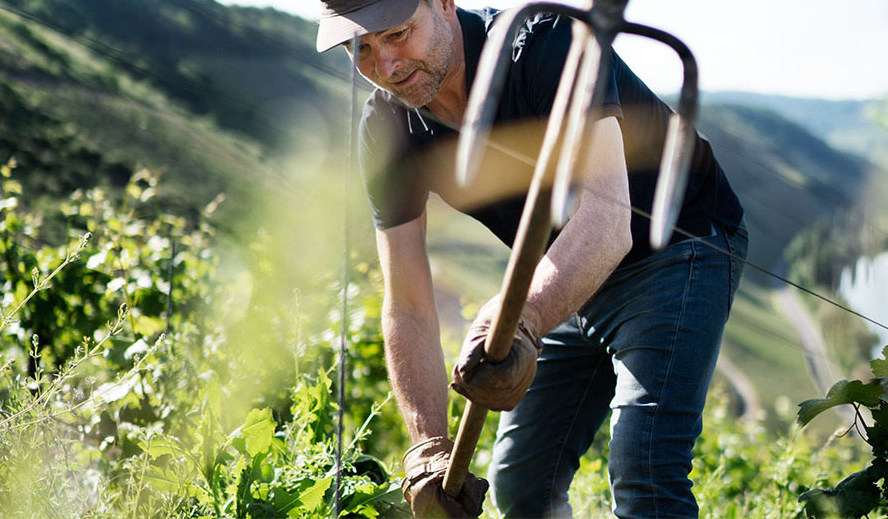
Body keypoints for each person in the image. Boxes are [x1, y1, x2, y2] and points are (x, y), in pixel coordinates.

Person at [316, 0, 747, 517]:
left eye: (398, 34)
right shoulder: (385, 128)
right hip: (570, 270)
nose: (386, 67)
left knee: (644, 468)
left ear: (444, 4)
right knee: (521, 484)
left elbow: (608, 224)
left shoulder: (546, 45)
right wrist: (427, 448)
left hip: (677, 248)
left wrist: (525, 317)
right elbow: (407, 303)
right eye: (360, 48)